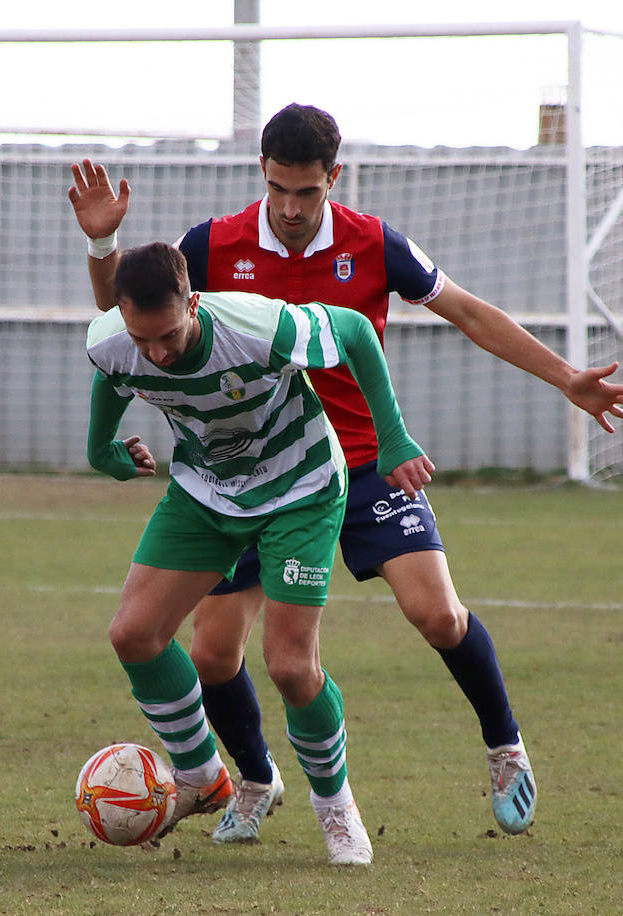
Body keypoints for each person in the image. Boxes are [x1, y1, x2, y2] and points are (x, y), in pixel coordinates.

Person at [70, 103, 623, 844]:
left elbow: (469, 313)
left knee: (438, 615)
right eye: (277, 188)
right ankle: (254, 779)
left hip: (365, 458)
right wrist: (103, 242)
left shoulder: (373, 243)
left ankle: (505, 748)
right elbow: (124, 319)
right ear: (262, 174)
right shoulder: (211, 245)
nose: (288, 208)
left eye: (306, 192)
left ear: (332, 179)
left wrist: (567, 376)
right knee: (214, 651)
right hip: (251, 467)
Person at [86, 241, 434, 866]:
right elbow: (114, 377)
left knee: (291, 667)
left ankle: (335, 807)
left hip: (300, 487)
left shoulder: (256, 325)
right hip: (207, 494)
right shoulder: (114, 338)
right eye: (143, 339)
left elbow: (354, 329)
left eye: (167, 335)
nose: (157, 353)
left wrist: (393, 436)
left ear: (193, 302)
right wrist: (102, 451)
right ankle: (200, 775)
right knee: (134, 633)